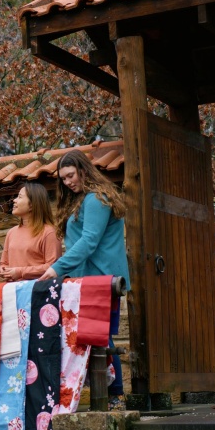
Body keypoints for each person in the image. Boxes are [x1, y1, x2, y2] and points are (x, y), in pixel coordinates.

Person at [39, 149, 131, 410]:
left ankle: (115, 395)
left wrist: (57, 268)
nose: (68, 182)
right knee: (92, 336)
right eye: (64, 179)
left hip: (101, 279)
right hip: (87, 279)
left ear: (83, 170)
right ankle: (107, 394)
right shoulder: (83, 200)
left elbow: (88, 242)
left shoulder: (96, 199)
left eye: (71, 176)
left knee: (100, 337)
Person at [0, 182, 61, 282]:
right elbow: (4, 263)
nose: (14, 200)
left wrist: (20, 272)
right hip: (12, 291)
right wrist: (3, 270)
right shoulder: (11, 232)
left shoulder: (49, 232)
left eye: (19, 197)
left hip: (37, 291)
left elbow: (53, 266)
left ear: (32, 205)